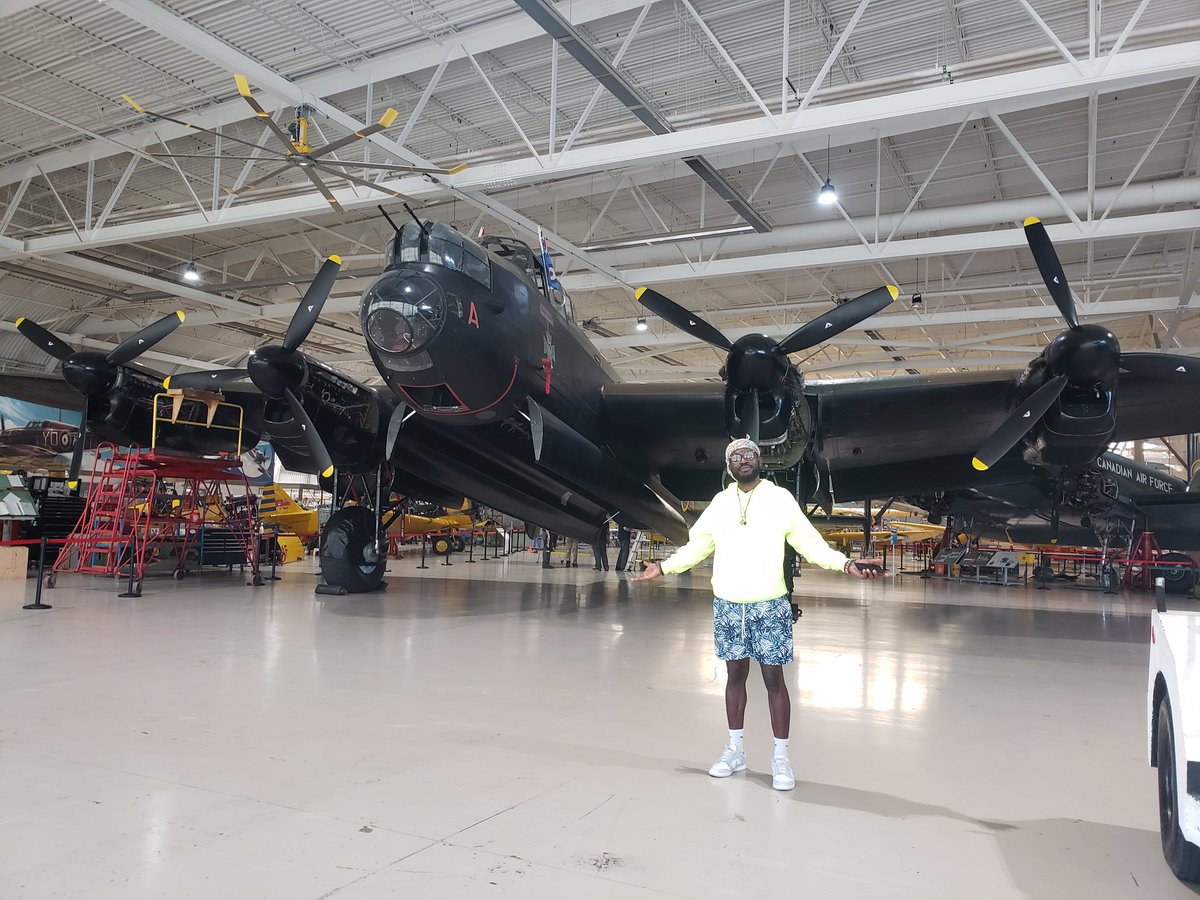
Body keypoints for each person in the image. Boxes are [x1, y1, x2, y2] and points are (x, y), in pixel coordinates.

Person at [633, 438, 883, 791]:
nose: (743, 459)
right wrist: (663, 567)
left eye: (749, 453)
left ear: (759, 459)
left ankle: (781, 757)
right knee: (734, 678)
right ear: (728, 465)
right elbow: (697, 547)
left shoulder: (780, 500)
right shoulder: (720, 504)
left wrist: (844, 563)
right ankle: (735, 751)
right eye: (736, 456)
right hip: (729, 605)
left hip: (769, 604)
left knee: (773, 680)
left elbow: (809, 542)